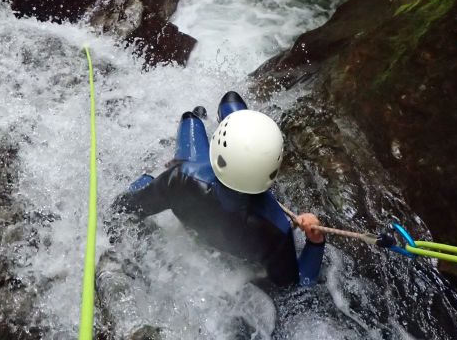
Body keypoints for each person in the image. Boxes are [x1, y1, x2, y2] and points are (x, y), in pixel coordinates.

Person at [113, 91, 326, 288]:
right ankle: (230, 118)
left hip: (197, 181)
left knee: (191, 118)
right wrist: (315, 242)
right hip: (239, 235)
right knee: (231, 100)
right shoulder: (277, 229)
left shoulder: (181, 178)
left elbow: (124, 208)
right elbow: (298, 283)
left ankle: (201, 118)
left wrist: (144, 182)